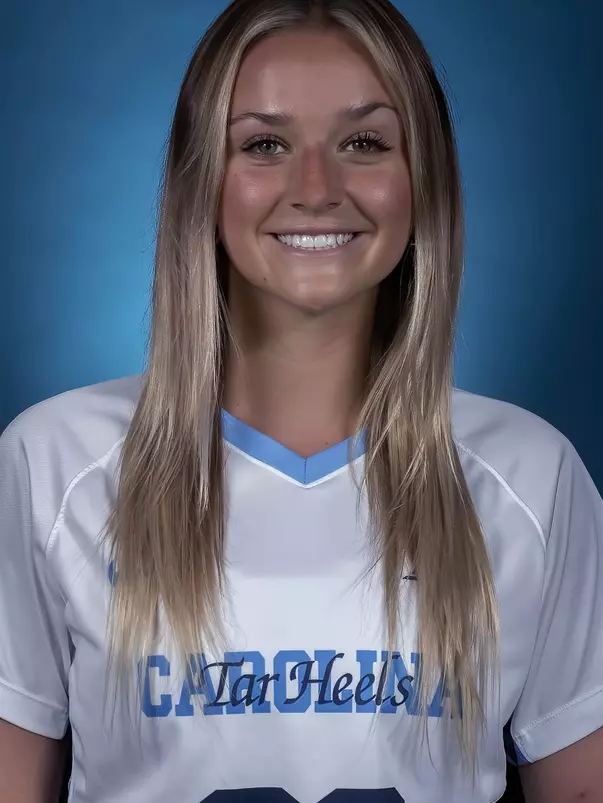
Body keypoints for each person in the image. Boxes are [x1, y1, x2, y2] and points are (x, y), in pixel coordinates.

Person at [0, 0, 601, 801]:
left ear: (422, 179)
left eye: (363, 143)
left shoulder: (530, 477)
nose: (315, 187)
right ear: (200, 182)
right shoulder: (53, 464)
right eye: (264, 144)